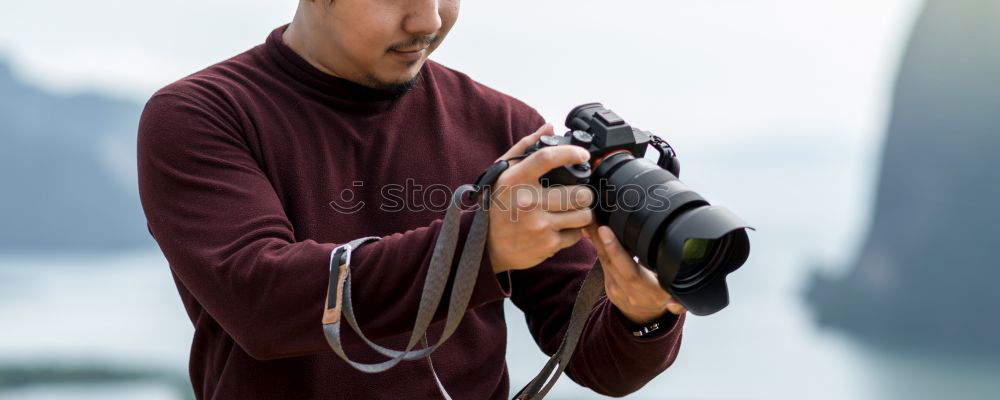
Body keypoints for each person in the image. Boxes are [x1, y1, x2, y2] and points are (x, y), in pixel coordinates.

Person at [137, 1, 688, 399]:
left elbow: (601, 364)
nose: (428, 20)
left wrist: (642, 318)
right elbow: (262, 304)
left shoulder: (504, 125)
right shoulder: (200, 116)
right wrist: (482, 243)